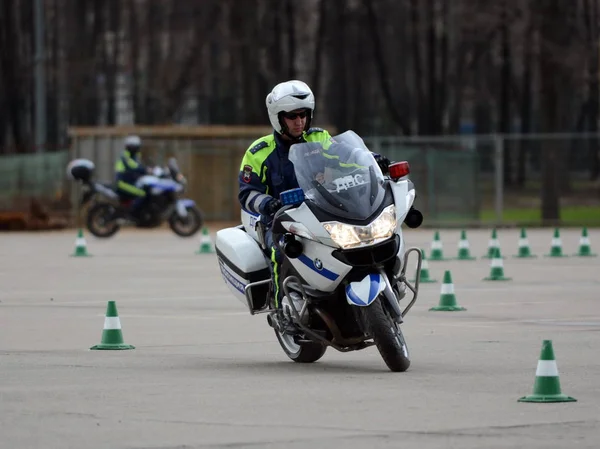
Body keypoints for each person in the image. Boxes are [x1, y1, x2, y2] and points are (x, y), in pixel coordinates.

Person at [237, 80, 392, 319]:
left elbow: (347, 155)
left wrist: (372, 158)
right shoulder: (259, 152)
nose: (299, 122)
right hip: (281, 219)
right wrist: (269, 204)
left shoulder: (319, 138)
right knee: (282, 251)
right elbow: (247, 193)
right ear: (278, 118)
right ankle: (283, 310)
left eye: (303, 115)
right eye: (291, 116)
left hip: (321, 211)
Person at [114, 135, 151, 219]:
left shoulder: (134, 156)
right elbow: (133, 167)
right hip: (122, 183)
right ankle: (132, 213)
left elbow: (138, 166)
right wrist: (146, 170)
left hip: (130, 182)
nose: (137, 149)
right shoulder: (125, 156)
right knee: (142, 194)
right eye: (136, 147)